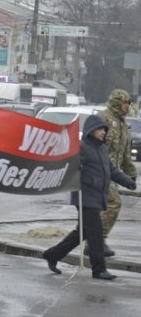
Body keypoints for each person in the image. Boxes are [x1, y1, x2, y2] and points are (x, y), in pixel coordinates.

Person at [42, 114, 135, 281]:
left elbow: (111, 170)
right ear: (91, 130)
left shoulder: (101, 148)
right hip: (84, 196)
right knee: (96, 233)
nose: (103, 132)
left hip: (96, 196)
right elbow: (68, 165)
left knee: (83, 232)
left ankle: (52, 254)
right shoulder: (81, 147)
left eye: (104, 129)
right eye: (100, 129)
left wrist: (127, 181)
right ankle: (99, 269)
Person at [97, 89, 135, 257]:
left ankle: (95, 241)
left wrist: (131, 174)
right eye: (126, 102)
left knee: (101, 208)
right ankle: (96, 242)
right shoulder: (103, 118)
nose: (128, 106)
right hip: (99, 170)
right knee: (114, 203)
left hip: (113, 172)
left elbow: (125, 154)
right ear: (118, 102)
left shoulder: (123, 125)